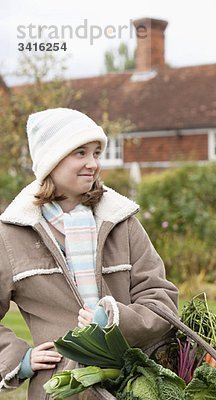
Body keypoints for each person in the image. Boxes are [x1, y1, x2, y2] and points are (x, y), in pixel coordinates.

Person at [0, 108, 179, 398]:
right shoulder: (13, 234)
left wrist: (112, 319)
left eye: (97, 153)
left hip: (133, 385)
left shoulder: (122, 224)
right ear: (52, 160)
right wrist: (17, 359)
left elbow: (162, 301)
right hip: (60, 391)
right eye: (80, 153)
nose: (93, 164)